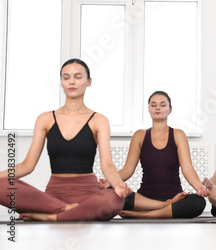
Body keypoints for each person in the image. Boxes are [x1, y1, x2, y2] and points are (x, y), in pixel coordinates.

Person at [0, 59, 131, 221]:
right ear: (61, 82)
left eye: (77, 76)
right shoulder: (45, 119)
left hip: (88, 196)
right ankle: (66, 210)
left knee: (115, 200)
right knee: (1, 184)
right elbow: (27, 166)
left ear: (89, 82)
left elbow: (108, 165)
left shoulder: (99, 120)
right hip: (52, 198)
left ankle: (50, 217)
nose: (71, 82)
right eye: (66, 77)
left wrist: (118, 185)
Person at [109, 91, 208, 219]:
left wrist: (199, 187)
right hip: (144, 200)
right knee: (111, 193)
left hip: (175, 197)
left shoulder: (178, 135)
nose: (157, 108)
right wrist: (110, 182)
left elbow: (187, 168)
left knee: (198, 202)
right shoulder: (140, 135)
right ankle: (163, 207)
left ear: (170, 109)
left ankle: (147, 215)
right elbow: (128, 169)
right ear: (149, 109)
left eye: (162, 105)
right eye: (153, 104)